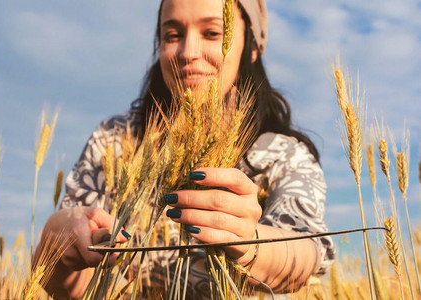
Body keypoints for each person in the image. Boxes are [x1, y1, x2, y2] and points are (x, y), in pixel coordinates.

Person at [37, 0, 335, 298]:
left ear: (253, 47)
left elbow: (308, 253)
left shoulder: (284, 155)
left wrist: (251, 242)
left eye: (212, 33)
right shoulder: (114, 141)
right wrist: (57, 245)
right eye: (172, 35)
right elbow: (76, 289)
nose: (188, 53)